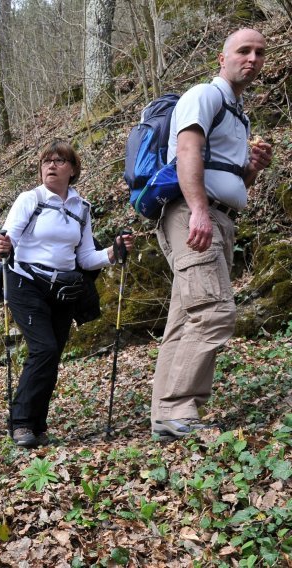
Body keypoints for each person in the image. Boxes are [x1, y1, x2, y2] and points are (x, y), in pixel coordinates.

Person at [151, 29, 273, 440]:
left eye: (259, 52)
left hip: (217, 216)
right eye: (244, 51)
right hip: (191, 213)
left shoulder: (240, 115)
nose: (252, 58)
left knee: (186, 319)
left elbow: (234, 184)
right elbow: (186, 152)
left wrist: (252, 168)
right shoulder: (205, 95)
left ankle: (165, 417)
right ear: (222, 58)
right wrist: (200, 211)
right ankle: (178, 410)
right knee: (215, 313)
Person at [0, 140, 133, 448]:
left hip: (64, 288)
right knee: (43, 349)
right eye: (46, 161)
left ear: (73, 170)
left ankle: (38, 425)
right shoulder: (30, 199)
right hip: (25, 281)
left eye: (59, 161)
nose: (51, 166)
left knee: (52, 354)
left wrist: (112, 252)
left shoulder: (81, 208)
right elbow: (5, 240)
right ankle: (20, 423)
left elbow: (85, 258)